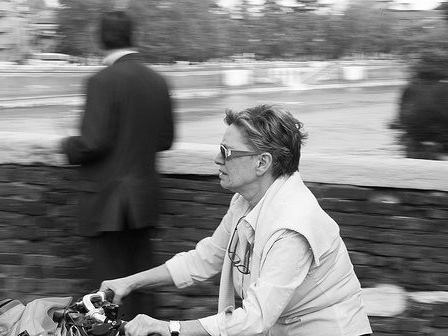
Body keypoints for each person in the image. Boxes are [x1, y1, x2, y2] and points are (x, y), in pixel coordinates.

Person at [100, 104, 372, 336]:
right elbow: (204, 259)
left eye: (226, 152)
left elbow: (255, 318)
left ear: (262, 163)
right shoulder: (245, 201)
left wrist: (170, 327)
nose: (217, 159)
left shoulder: (292, 227)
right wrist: (129, 282)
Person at [61, 11, 174, 320]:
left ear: (101, 40)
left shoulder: (101, 81)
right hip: (144, 200)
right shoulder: (157, 80)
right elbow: (165, 140)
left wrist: (67, 145)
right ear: (131, 37)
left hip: (107, 202)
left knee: (106, 289)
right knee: (141, 284)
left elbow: (93, 142)